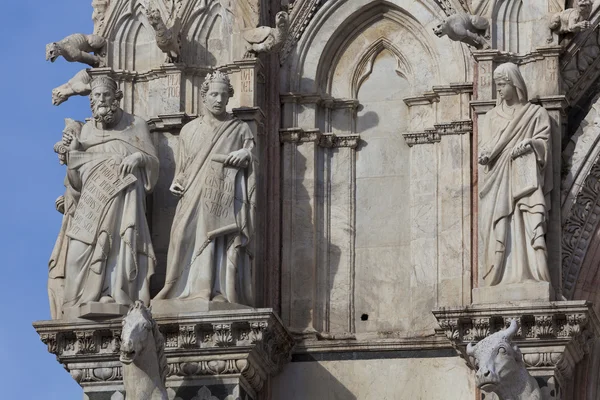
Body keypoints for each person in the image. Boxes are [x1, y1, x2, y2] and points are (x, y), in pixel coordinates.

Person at [155, 71, 256, 305]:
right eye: (213, 94)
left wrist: (246, 155)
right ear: (204, 97)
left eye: (223, 95)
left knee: (216, 240)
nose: (219, 100)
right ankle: (181, 288)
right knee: (181, 236)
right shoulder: (189, 130)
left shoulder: (240, 129)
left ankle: (215, 290)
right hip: (192, 193)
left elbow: (252, 157)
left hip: (222, 195)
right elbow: (182, 167)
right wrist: (177, 182)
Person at [61, 76, 159, 313]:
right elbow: (75, 184)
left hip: (123, 202)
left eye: (106, 95)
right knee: (76, 255)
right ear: (91, 101)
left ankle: (115, 293)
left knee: (116, 247)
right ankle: (77, 301)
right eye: (96, 96)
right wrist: (72, 156)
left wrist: (140, 158)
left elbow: (153, 164)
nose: (102, 99)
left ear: (116, 98)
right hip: (91, 204)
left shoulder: (136, 125)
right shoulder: (84, 133)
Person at [478, 63, 553, 287]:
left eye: (502, 85)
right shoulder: (491, 116)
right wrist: (484, 154)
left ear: (515, 83)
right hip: (496, 180)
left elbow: (544, 143)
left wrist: (530, 144)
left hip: (524, 178)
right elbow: (485, 146)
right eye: (496, 85)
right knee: (499, 225)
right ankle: (499, 275)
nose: (499, 90)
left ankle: (532, 272)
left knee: (526, 219)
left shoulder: (535, 113)